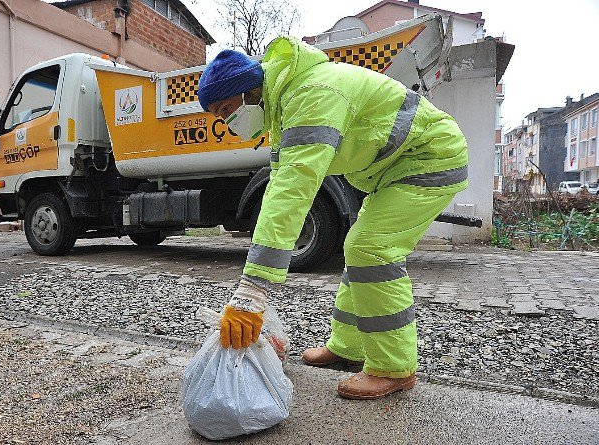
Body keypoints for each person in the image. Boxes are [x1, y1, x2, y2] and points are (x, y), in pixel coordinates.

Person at [197, 36, 468, 400]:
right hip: (396, 169)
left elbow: (292, 193)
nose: (229, 123)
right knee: (359, 250)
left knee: (370, 249)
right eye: (219, 118)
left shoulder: (311, 94)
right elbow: (281, 187)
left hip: (430, 158)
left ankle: (394, 368)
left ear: (250, 91)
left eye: (227, 109)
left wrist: (252, 291)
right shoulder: (284, 108)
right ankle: (348, 345)